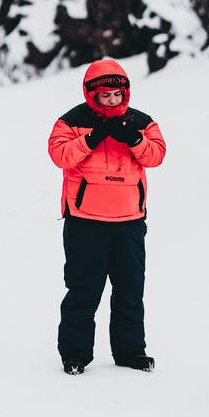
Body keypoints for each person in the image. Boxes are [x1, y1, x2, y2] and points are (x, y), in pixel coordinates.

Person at [48, 58, 166, 375]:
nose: (112, 101)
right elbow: (60, 154)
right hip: (85, 220)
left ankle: (131, 352)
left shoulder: (141, 122)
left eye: (117, 95)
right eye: (105, 96)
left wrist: (135, 139)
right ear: (92, 94)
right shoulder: (71, 122)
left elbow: (157, 155)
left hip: (128, 220)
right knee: (83, 290)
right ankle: (75, 354)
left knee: (130, 290)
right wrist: (90, 138)